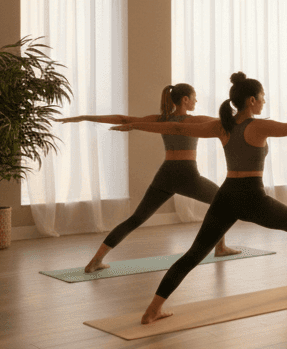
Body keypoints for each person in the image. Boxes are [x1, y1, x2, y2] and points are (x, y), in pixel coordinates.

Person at [114, 73, 287, 325]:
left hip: (226, 195)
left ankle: (153, 309)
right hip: (251, 196)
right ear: (251, 100)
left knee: (194, 254)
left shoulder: (223, 126)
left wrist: (135, 126)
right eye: (262, 97)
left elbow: (176, 127)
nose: (264, 101)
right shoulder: (258, 126)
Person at [60, 84, 237, 273]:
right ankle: (220, 248)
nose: (196, 101)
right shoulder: (195, 120)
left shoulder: (161, 120)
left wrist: (85, 117)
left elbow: (124, 119)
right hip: (187, 175)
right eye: (194, 97)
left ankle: (95, 261)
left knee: (136, 219)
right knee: (223, 203)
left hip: (166, 174)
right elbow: (228, 123)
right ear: (185, 99)